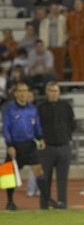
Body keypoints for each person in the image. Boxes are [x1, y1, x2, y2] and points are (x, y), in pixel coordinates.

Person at [2, 82, 48, 210]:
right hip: (15, 146)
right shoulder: (9, 109)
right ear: (15, 93)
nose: (23, 93)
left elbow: (37, 126)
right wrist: (9, 145)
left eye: (25, 90)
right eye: (20, 91)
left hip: (30, 145)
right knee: (10, 176)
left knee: (39, 171)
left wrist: (40, 138)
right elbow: (6, 128)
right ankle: (10, 202)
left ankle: (46, 201)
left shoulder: (33, 109)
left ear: (28, 93)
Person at [37, 81, 74, 209]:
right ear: (46, 92)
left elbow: (72, 124)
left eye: (56, 91)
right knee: (44, 180)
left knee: (62, 181)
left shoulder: (66, 106)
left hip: (64, 147)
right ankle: (44, 206)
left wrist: (66, 137)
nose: (53, 93)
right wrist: (40, 140)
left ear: (59, 92)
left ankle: (62, 205)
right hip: (46, 149)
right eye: (51, 91)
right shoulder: (40, 107)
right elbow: (35, 128)